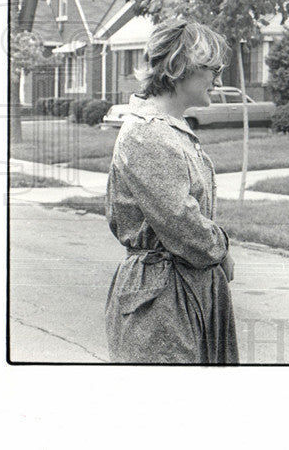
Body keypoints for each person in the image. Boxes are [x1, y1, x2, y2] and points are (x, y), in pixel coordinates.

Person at [104, 19, 238, 364]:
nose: (219, 79)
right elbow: (183, 224)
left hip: (181, 288)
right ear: (180, 67)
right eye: (213, 68)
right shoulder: (149, 134)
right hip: (162, 300)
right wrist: (221, 250)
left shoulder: (169, 129)